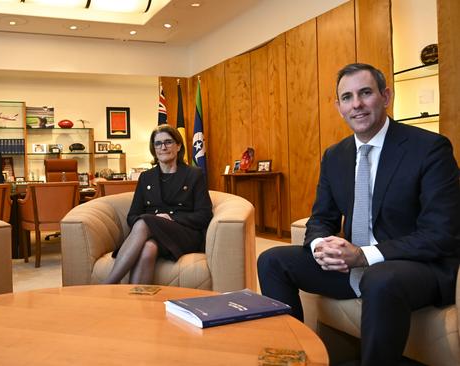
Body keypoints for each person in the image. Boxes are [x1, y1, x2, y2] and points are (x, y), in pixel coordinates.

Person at [257, 63, 460, 365]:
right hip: (355, 266)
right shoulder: (335, 156)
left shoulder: (429, 148)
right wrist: (319, 246)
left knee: (379, 278)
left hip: (416, 266)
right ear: (338, 107)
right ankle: (298, 357)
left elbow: (441, 234)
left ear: (385, 96)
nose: (357, 105)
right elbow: (321, 218)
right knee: (272, 260)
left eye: (365, 93)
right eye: (348, 97)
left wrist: (365, 255)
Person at [103, 124, 213, 284]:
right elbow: (132, 216)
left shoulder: (194, 174)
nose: (163, 147)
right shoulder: (146, 177)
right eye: (158, 143)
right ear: (153, 148)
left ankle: (108, 285)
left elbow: (204, 215)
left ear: (178, 145)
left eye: (168, 142)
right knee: (148, 249)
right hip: (153, 234)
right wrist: (154, 221)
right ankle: (135, 304)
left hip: (184, 234)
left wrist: (170, 218)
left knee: (144, 222)